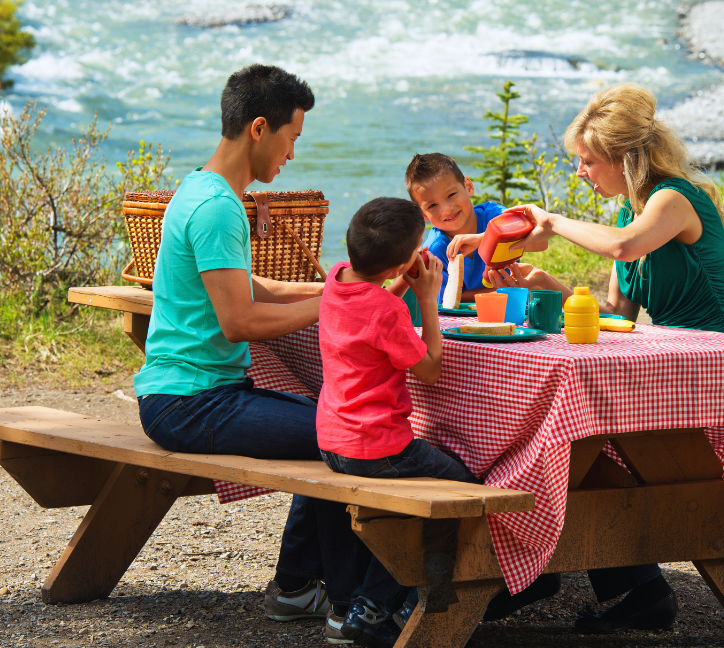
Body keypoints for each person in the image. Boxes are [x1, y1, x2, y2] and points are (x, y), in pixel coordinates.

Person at [462, 82, 724, 633]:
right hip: (676, 367)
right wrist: (549, 284)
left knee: (573, 443)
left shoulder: (673, 200)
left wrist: (549, 223)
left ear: (627, 159)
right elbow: (615, 315)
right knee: (569, 441)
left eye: (588, 161)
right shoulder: (627, 212)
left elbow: (624, 248)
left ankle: (525, 573)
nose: (580, 172)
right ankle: (634, 588)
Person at [133, 64, 363, 638]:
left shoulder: (203, 188)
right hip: (189, 403)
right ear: (260, 128)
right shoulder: (217, 208)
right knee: (338, 433)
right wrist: (334, 309)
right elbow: (240, 321)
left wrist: (344, 285)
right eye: (292, 137)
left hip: (193, 394)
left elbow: (255, 288)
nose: (291, 154)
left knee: (328, 426)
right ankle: (350, 602)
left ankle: (299, 588)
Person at [316, 196, 480, 648]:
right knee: (462, 488)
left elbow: (370, 314)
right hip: (378, 447)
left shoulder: (335, 281)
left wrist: (402, 285)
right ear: (401, 262)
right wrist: (427, 299)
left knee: (416, 499)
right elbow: (428, 368)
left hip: (333, 441)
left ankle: (376, 602)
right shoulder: (388, 312)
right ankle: (396, 600)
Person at [404, 153, 546, 304]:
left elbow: (541, 243)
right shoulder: (436, 250)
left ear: (468, 187)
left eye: (451, 195)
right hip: (469, 318)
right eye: (432, 205)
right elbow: (450, 301)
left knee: (541, 286)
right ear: (423, 214)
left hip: (515, 301)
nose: (446, 209)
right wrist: (507, 292)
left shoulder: (493, 215)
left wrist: (485, 240)